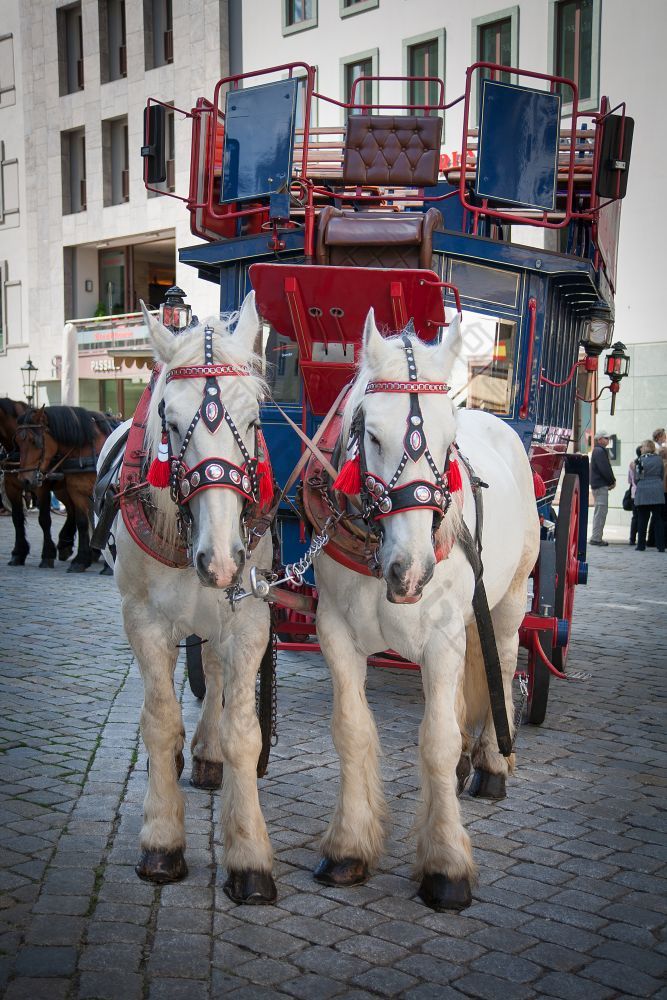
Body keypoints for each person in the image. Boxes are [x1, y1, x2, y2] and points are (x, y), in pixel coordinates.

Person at [634, 440, 665, 552]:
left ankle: (641, 545)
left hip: (643, 491)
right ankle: (661, 546)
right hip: (657, 490)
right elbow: (662, 474)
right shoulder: (659, 459)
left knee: (642, 519)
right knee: (658, 519)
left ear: (644, 447)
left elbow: (637, 477)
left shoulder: (640, 460)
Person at [589, 430, 615, 546]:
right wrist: (612, 481)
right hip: (600, 485)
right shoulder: (599, 451)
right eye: (606, 438)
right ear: (599, 439)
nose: (608, 440)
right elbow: (605, 469)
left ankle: (597, 537)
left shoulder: (598, 450)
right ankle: (596, 538)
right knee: (601, 512)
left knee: (600, 511)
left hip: (598, 485)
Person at [627, 445, 642, 545]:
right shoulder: (642, 463)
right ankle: (641, 538)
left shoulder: (632, 464)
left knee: (635, 517)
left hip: (633, 493)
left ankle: (632, 539)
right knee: (642, 517)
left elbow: (629, 480)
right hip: (642, 493)